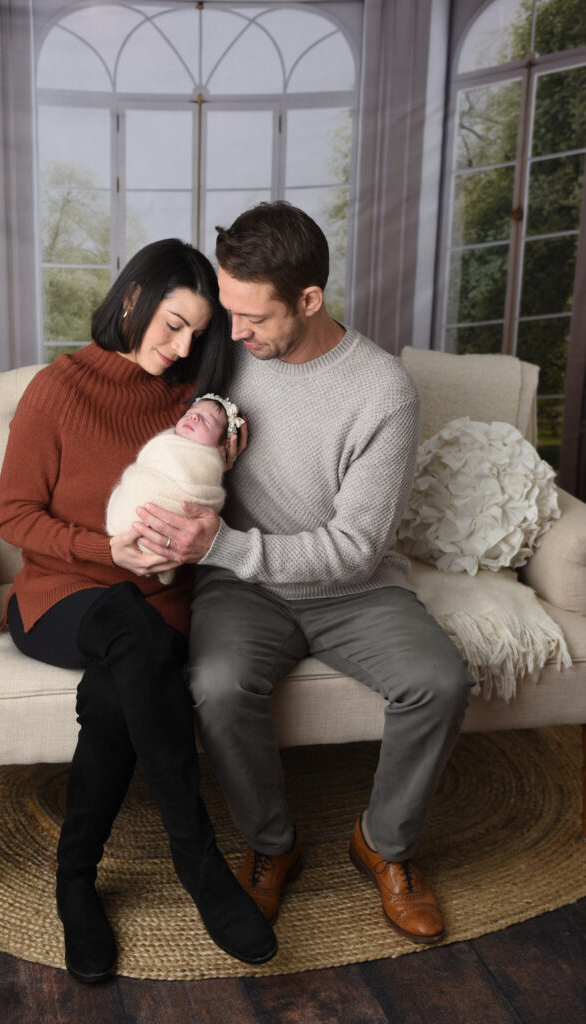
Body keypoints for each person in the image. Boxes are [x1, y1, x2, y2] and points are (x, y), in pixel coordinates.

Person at [131, 203, 474, 945]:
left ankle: (383, 844)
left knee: (441, 681)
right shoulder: (227, 345)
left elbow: (354, 549)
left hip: (351, 587)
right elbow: (144, 395)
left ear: (309, 299)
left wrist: (217, 545)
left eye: (252, 316)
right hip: (243, 587)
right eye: (228, 309)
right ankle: (272, 842)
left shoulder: (382, 390)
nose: (236, 331)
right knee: (216, 685)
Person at [0, 238, 277, 984]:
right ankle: (200, 862)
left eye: (196, 333)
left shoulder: (191, 407)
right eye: (172, 324)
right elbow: (14, 517)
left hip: (159, 609)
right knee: (129, 628)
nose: (182, 345)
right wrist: (108, 553)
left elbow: (199, 504)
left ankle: (75, 880)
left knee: (121, 682)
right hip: (62, 596)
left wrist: (225, 457)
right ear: (132, 300)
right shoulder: (56, 389)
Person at [106, 395, 243, 584]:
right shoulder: (165, 442)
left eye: (207, 421)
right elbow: (143, 469)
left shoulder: (207, 465)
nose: (194, 418)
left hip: (165, 549)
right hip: (119, 538)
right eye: (191, 413)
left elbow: (201, 493)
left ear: (223, 445)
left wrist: (218, 463)